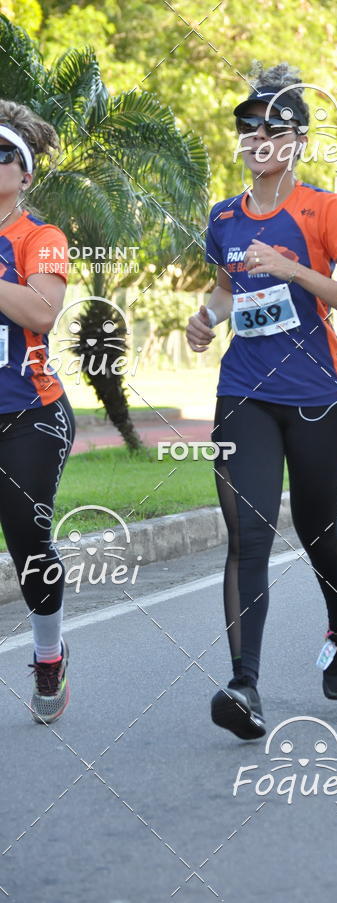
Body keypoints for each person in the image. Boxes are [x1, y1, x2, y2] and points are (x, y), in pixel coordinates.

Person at [186, 63, 337, 740]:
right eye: (248, 125)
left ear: (298, 141)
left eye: (275, 126)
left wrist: (296, 268)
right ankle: (244, 686)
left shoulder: (327, 211)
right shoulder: (224, 219)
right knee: (249, 534)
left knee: (318, 527)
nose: (260, 135)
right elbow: (226, 288)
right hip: (245, 391)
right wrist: (206, 317)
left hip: (321, 395)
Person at [0, 100, 75, 724]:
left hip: (31, 412)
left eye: (4, 153)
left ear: (24, 174)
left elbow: (40, 313)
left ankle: (48, 659)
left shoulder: (40, 238)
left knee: (27, 543)